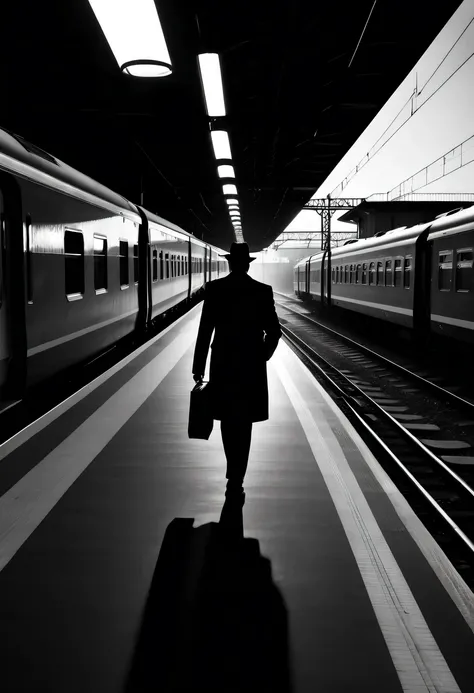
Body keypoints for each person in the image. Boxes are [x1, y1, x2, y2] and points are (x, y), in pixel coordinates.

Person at [192, 242, 281, 504]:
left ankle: (232, 471)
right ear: (248, 264)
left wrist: (198, 367)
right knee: (244, 422)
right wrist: (261, 354)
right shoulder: (262, 291)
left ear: (230, 263)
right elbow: (274, 332)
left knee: (228, 420)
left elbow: (205, 330)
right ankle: (237, 477)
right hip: (251, 367)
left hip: (222, 364)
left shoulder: (216, 289)